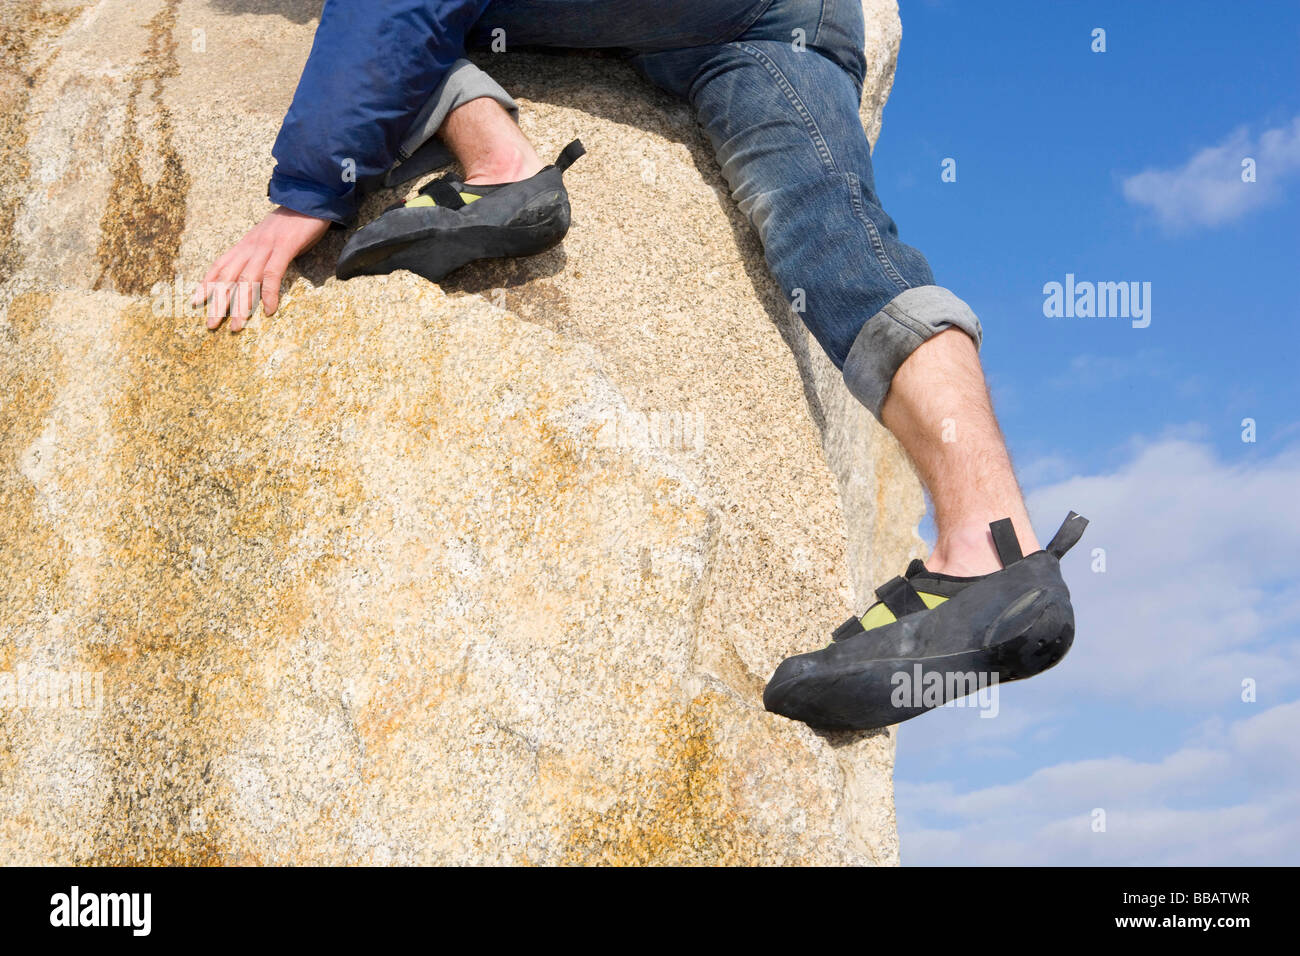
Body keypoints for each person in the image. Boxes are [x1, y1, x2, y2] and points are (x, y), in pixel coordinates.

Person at [194, 0, 1087, 730]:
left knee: (390, 23)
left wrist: (311, 192)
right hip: (784, 23)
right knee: (840, 239)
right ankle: (991, 550)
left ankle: (500, 164)